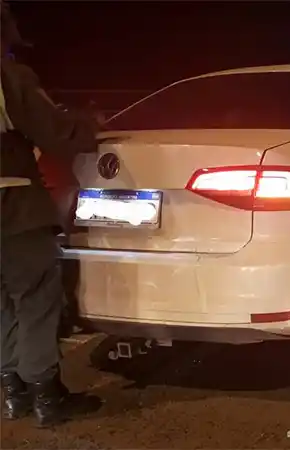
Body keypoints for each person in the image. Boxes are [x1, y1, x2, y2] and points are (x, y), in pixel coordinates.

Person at [1, 2, 101, 427]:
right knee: (36, 300)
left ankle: (13, 393)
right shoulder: (10, 77)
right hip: (15, 209)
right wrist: (90, 125)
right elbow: (53, 131)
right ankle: (47, 397)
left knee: (1, 304)